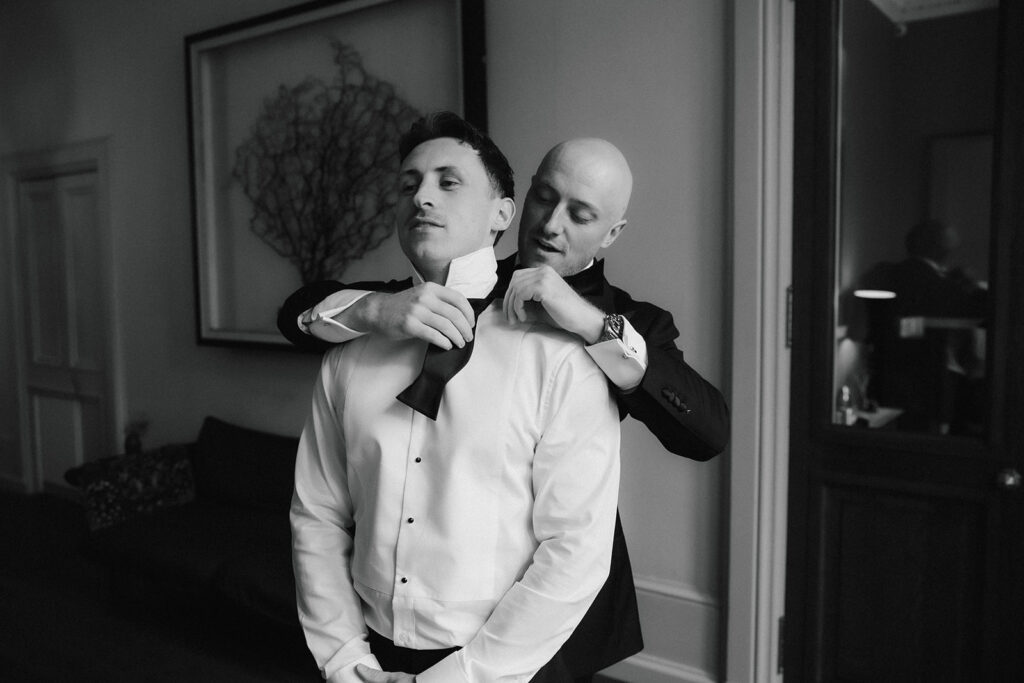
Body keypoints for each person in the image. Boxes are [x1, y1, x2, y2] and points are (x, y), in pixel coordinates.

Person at [280, 135, 731, 681]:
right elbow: (298, 315)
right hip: (387, 625)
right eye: (544, 197)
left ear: (611, 233)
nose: (551, 225)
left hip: (546, 626)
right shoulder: (434, 296)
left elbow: (706, 432)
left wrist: (591, 323)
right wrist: (373, 310)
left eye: (581, 214)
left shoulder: (616, 327)